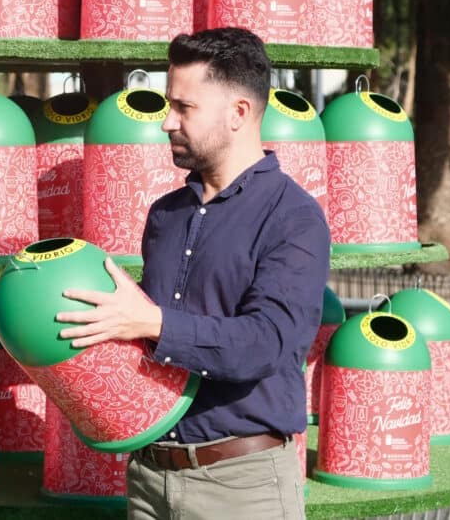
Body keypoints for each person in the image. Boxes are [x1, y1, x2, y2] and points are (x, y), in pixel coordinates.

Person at [56, 28, 330, 519]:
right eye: (168, 104)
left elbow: (265, 343)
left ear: (238, 114)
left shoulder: (295, 217)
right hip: (148, 477)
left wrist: (151, 322)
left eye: (184, 108)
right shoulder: (166, 214)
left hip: (242, 488)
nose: (166, 122)